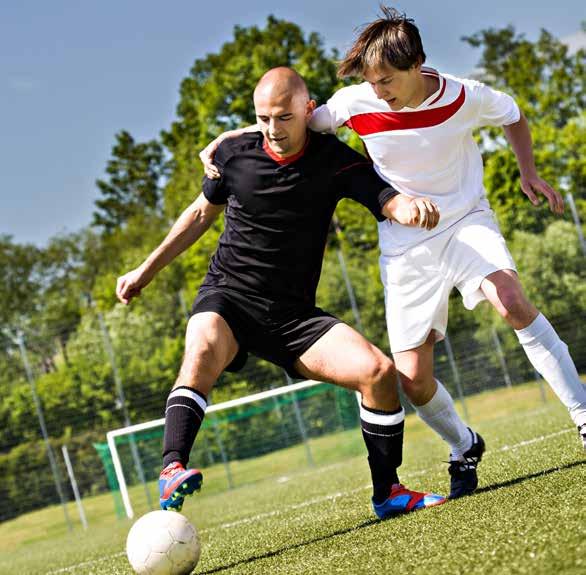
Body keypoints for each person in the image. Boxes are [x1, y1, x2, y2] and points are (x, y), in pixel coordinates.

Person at [200, 8, 586, 499]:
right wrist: (227, 139)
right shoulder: (353, 103)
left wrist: (527, 171)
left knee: (510, 299)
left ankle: (582, 416)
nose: (378, 90)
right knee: (413, 381)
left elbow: (513, 115)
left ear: (418, 64)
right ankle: (464, 445)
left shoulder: (464, 96)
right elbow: (283, 124)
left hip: (467, 222)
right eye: (371, 80)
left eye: (386, 80)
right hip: (405, 246)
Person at [116, 67, 445, 520]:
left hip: (293, 317)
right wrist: (144, 272)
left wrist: (411, 207)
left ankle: (388, 492)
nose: (274, 129)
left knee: (379, 373)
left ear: (308, 111)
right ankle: (172, 467)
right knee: (202, 348)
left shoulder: (334, 159)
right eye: (263, 118)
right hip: (229, 297)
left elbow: (385, 198)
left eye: (284, 117)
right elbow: (197, 216)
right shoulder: (232, 154)